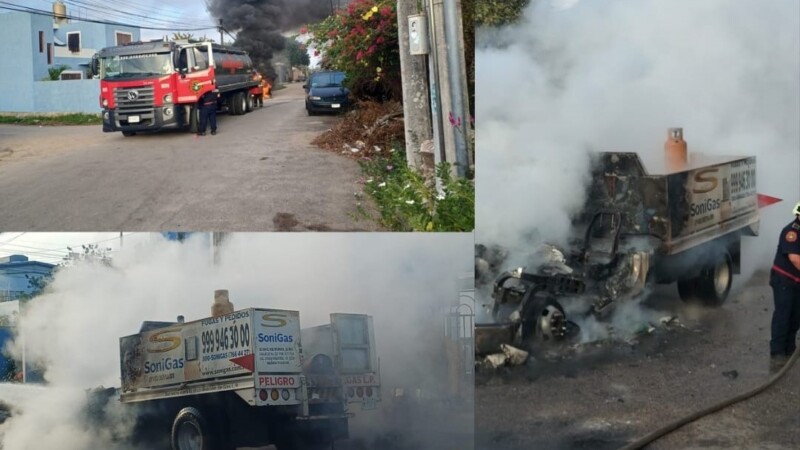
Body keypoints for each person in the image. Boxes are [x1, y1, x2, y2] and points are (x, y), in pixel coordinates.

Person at [769, 201, 800, 373]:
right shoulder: (792, 232)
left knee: (796, 316)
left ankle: (790, 349)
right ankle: (777, 353)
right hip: (784, 280)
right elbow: (795, 259)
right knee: (783, 315)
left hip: (797, 282)